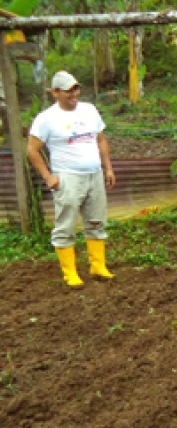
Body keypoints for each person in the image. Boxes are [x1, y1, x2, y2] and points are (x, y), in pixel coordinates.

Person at [27, 71, 116, 288]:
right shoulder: (46, 119)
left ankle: (98, 266)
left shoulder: (89, 110)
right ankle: (70, 273)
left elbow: (101, 140)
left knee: (96, 220)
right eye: (68, 90)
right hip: (67, 177)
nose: (74, 94)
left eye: (76, 89)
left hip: (93, 174)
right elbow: (32, 150)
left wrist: (108, 169)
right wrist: (48, 176)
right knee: (65, 224)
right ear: (55, 92)